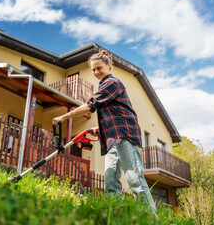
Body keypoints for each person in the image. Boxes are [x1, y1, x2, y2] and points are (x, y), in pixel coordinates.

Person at [52, 49, 157, 214]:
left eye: (99, 68)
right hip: (112, 139)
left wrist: (64, 117)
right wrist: (99, 129)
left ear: (109, 65)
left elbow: (91, 105)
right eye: (93, 69)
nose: (95, 72)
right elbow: (115, 113)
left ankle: (151, 218)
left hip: (126, 135)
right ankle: (115, 216)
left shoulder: (112, 83)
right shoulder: (105, 86)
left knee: (134, 178)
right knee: (111, 182)